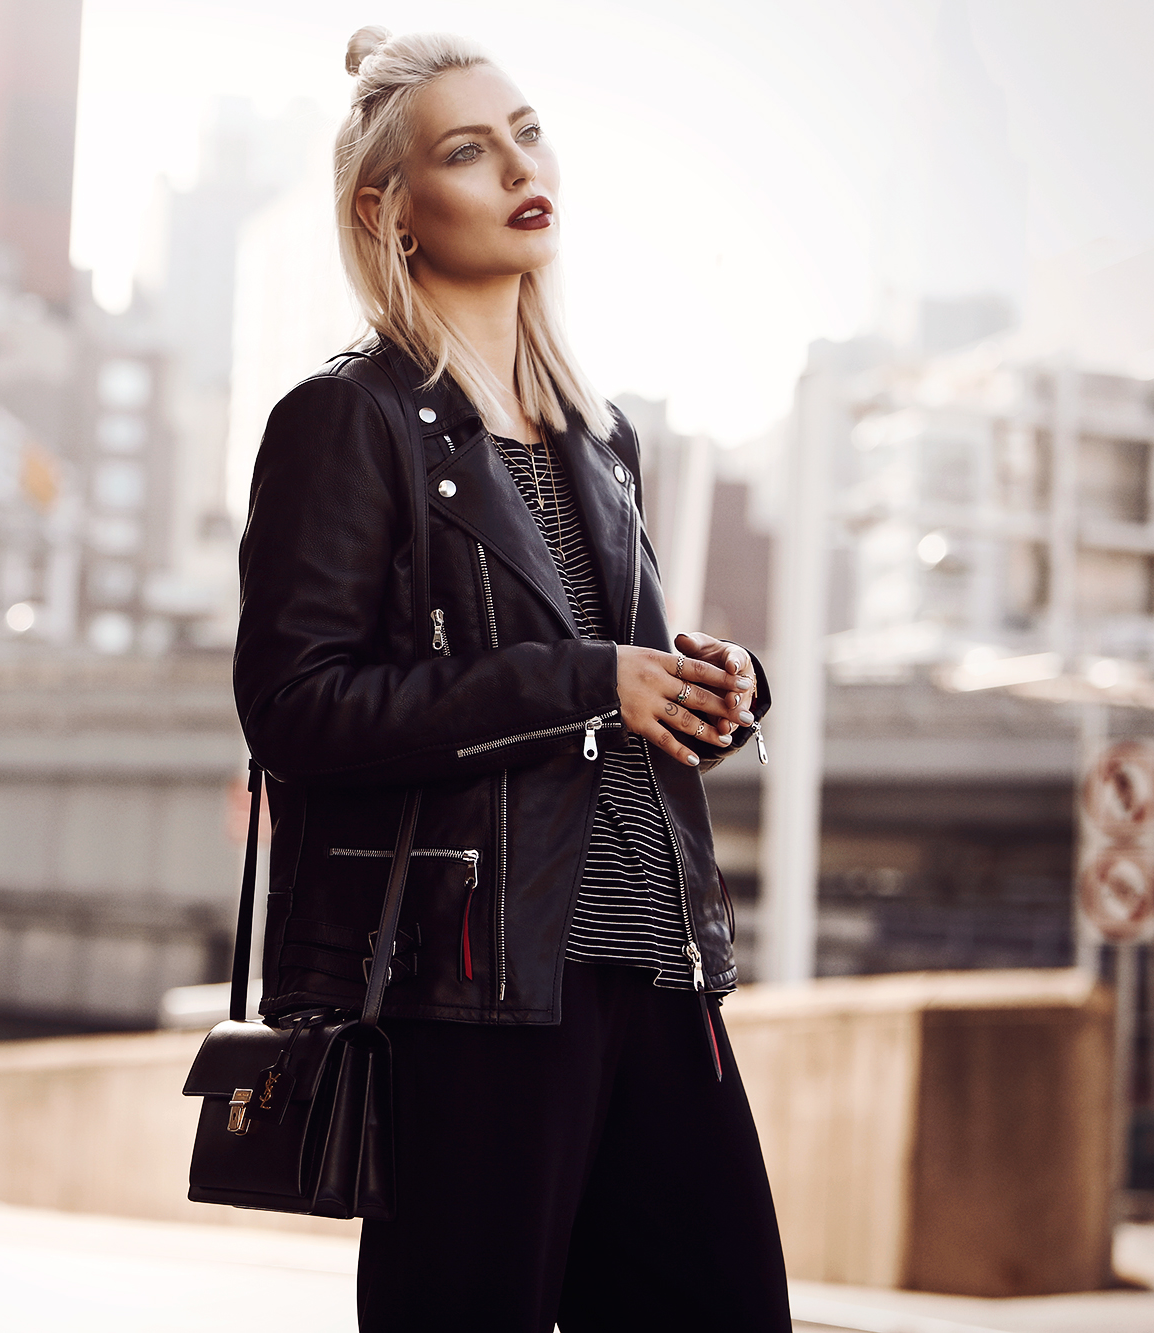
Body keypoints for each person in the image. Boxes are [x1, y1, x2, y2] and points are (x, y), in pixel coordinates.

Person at [232, 26, 790, 1332]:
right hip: (472, 981)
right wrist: (591, 678)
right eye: (468, 152)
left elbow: (603, 716)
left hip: (657, 969)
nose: (517, 168)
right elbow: (298, 710)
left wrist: (710, 692)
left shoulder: (602, 441)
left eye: (526, 134)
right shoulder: (347, 420)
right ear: (393, 210)